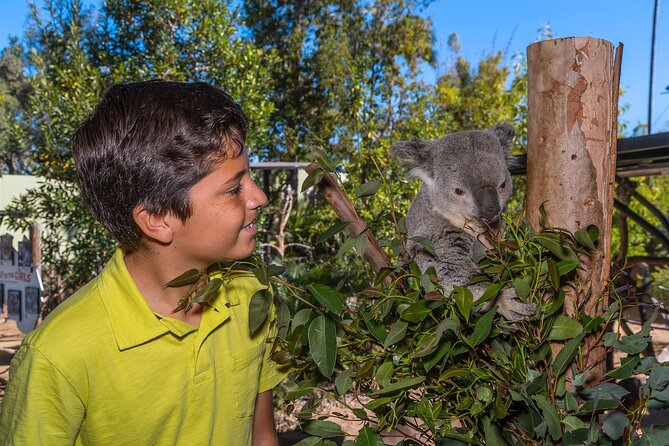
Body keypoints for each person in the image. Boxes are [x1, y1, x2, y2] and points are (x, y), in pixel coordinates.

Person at [0, 80, 288, 445]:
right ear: (157, 219)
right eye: (234, 188)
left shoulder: (253, 296)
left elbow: (262, 435)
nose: (259, 196)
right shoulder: (57, 357)